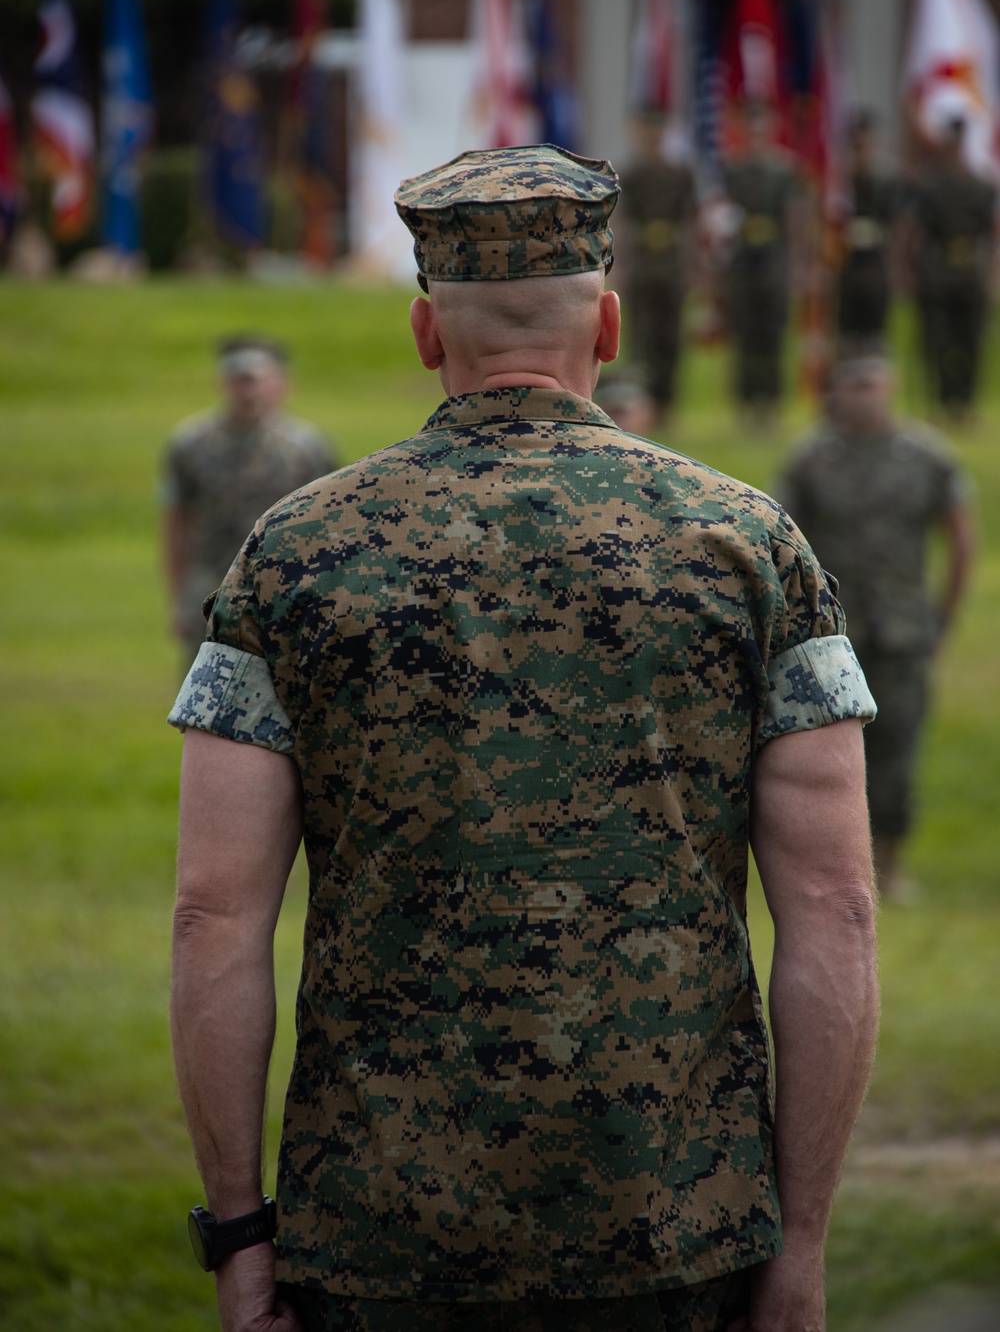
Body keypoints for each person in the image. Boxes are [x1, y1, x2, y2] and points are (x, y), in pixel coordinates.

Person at [169, 144, 878, 1332]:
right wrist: (797, 1247)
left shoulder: (292, 553)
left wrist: (242, 1242)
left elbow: (214, 919)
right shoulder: (749, 546)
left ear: (423, 332)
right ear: (606, 324)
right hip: (675, 1226)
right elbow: (836, 911)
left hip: (380, 1239)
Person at [777, 354, 975, 900]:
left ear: (891, 388)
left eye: (872, 385)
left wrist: (943, 615)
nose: (862, 396)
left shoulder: (926, 456)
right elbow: (780, 535)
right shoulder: (811, 458)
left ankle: (891, 863)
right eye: (852, 385)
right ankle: (828, 864)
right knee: (822, 752)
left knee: (898, 744)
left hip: (902, 629)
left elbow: (960, 535)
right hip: (831, 632)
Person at [160, 334, 336, 671]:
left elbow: (328, 529)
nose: (248, 391)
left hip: (284, 595)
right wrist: (178, 599)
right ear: (222, 382)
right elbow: (178, 522)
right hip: (211, 592)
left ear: (281, 383)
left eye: (256, 380)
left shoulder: (307, 448)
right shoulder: (190, 444)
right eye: (239, 380)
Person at [908, 116, 997, 417]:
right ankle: (942, 398)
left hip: (971, 267)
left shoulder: (982, 186)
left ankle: (965, 402)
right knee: (938, 338)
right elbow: (916, 233)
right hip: (939, 269)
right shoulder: (930, 186)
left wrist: (993, 275)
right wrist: (912, 271)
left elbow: (993, 233)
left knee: (970, 338)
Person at [618, 111, 697, 424]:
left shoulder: (679, 174)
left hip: (672, 261)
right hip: (642, 261)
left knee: (671, 336)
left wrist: (694, 267)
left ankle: (668, 404)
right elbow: (621, 223)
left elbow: (690, 222)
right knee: (642, 336)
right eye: (646, 129)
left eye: (658, 128)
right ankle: (642, 404)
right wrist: (619, 266)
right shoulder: (632, 174)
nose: (652, 135)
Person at [722, 104, 799, 422]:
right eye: (749, 129)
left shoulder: (784, 169)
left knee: (772, 334)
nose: (755, 136)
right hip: (742, 260)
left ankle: (771, 402)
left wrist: (796, 265)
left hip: (773, 259)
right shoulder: (733, 169)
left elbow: (794, 219)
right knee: (744, 333)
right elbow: (723, 217)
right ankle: (746, 401)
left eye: (760, 128)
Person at [835, 111, 901, 350]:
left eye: (866, 143)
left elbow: (896, 224)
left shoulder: (886, 180)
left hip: (876, 260)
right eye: (857, 144)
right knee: (848, 327)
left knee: (875, 327)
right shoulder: (841, 180)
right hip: (846, 262)